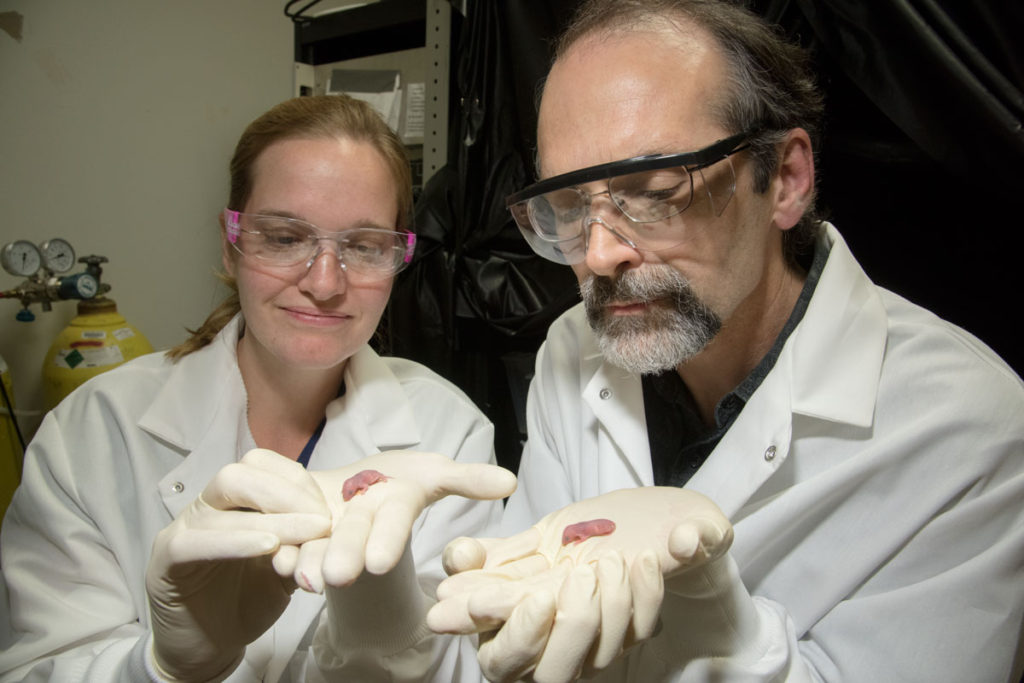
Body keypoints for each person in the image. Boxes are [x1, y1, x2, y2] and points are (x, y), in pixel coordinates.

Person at [425, 1, 1024, 681]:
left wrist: (730, 645)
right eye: (568, 208)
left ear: (786, 180)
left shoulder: (969, 428)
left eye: (652, 193)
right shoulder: (573, 348)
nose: (597, 255)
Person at [0, 94, 515, 682]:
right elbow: (36, 669)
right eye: (285, 237)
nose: (324, 283)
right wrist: (161, 668)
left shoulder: (448, 432)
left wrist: (388, 631)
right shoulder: (92, 433)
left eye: (364, 246)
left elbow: (472, 668)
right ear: (231, 242)